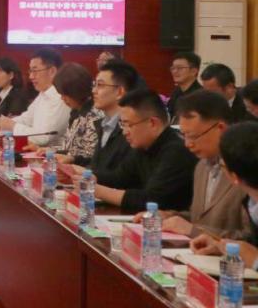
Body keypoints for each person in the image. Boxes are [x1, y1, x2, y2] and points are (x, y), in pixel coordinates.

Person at [146, 90, 250, 239]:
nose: (187, 144)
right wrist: (169, 216)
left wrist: (194, 231)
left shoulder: (246, 168)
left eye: (193, 136)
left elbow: (250, 240)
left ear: (220, 128)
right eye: (184, 135)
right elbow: (200, 218)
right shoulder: (201, 166)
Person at [72, 89, 196, 212]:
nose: (125, 132)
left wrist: (95, 190)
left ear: (152, 123)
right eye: (123, 125)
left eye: (129, 125)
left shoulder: (176, 152)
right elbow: (119, 178)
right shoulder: (143, 146)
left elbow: (151, 200)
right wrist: (85, 174)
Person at [190, 122, 258, 268]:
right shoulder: (252, 203)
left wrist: (255, 260)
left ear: (232, 176)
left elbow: (253, 253)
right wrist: (223, 246)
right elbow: (251, 241)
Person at [0, 48, 69, 147]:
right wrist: (2, 123)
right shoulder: (43, 94)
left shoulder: (61, 97)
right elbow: (26, 118)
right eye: (30, 71)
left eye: (35, 71)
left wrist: (12, 126)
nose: (31, 76)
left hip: (51, 154)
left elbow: (44, 137)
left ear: (52, 71)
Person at [81, 60, 136, 175]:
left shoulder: (131, 129)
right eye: (94, 85)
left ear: (119, 92)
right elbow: (99, 166)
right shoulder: (104, 124)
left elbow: (122, 177)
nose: (93, 91)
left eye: (100, 85)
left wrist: (84, 173)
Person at [50, 63, 100, 164]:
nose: (62, 98)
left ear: (76, 91)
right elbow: (69, 147)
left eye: (65, 94)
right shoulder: (76, 112)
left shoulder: (94, 115)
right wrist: (50, 150)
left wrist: (72, 159)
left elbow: (91, 156)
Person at [167, 51, 202, 119]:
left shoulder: (200, 96)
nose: (175, 71)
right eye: (173, 68)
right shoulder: (176, 92)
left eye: (180, 68)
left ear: (194, 71)